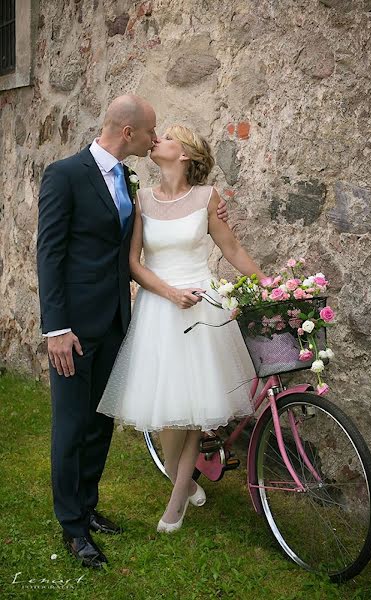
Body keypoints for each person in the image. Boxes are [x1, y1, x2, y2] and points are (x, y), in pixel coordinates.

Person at [36, 97, 228, 568]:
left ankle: (88, 507)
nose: (153, 138)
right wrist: (55, 328)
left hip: (116, 322)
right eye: (150, 131)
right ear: (128, 133)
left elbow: (131, 250)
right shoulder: (65, 175)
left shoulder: (127, 179)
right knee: (71, 425)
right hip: (73, 329)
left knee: (99, 422)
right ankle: (73, 529)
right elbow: (50, 255)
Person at [97, 124, 266, 533]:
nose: (157, 141)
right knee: (168, 412)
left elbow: (233, 249)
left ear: (186, 154)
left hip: (203, 307)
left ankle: (176, 502)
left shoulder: (208, 198)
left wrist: (270, 287)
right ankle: (183, 479)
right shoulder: (142, 200)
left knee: (191, 410)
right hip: (160, 306)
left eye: (167, 138)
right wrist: (170, 293)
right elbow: (135, 263)